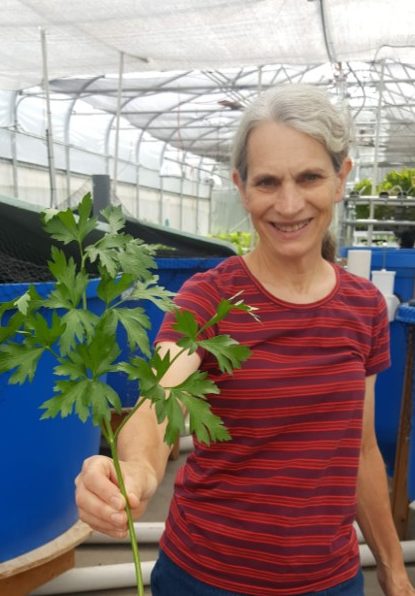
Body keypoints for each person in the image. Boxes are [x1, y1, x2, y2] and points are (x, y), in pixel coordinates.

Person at [75, 84, 415, 595]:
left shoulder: (363, 306)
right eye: (267, 182)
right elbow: (158, 400)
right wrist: (136, 470)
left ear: (341, 178)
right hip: (207, 578)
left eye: (310, 177)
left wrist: (392, 570)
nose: (289, 203)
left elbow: (361, 449)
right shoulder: (210, 297)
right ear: (241, 186)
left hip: (329, 581)